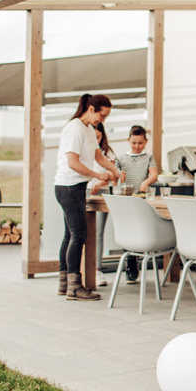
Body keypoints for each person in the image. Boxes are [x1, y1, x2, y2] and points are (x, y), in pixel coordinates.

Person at [54, 94, 120, 301]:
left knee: (70, 235)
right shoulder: (74, 128)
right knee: (79, 234)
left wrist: (115, 170)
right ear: (91, 109)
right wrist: (98, 175)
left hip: (75, 187)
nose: (104, 120)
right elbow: (73, 162)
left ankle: (65, 284)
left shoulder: (89, 129)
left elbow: (98, 156)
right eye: (103, 115)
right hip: (68, 187)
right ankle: (75, 287)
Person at [115, 125, 159, 283]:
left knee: (139, 228)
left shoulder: (148, 158)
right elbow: (114, 176)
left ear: (146, 142)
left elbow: (154, 174)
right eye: (134, 143)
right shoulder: (120, 159)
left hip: (141, 200)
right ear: (128, 140)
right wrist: (117, 175)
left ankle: (134, 258)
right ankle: (130, 260)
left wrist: (146, 182)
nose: (137, 146)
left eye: (140, 143)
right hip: (125, 200)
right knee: (127, 230)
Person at [88, 123, 117, 287]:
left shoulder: (107, 152)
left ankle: (97, 269)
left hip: (102, 195)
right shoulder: (83, 151)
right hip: (85, 193)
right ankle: (82, 269)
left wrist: (99, 182)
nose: (95, 140)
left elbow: (113, 175)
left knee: (97, 233)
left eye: (97, 137)